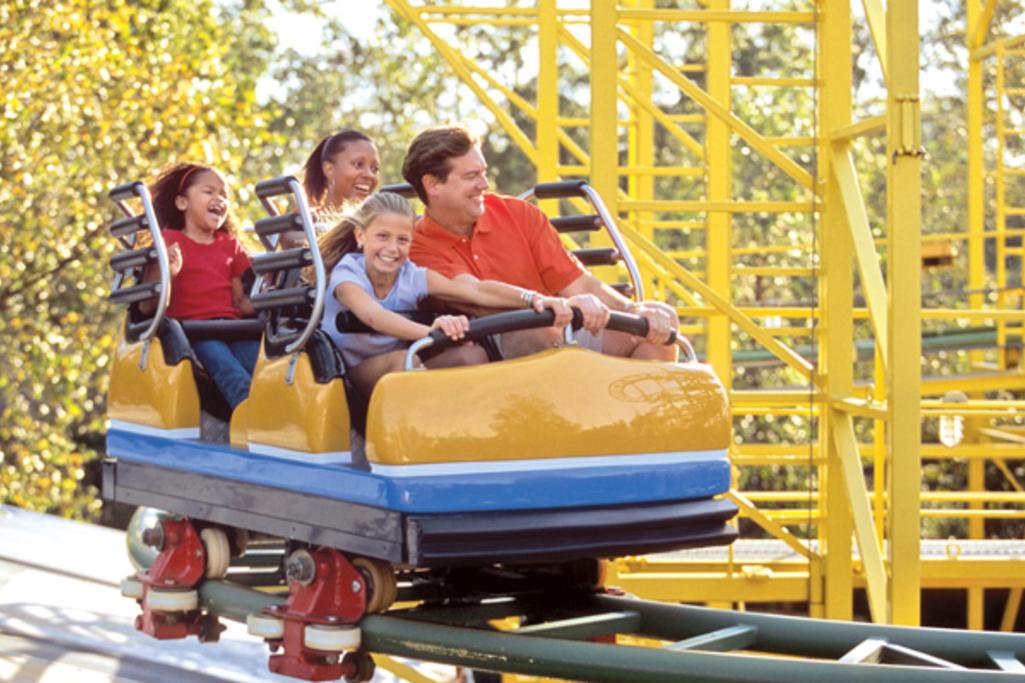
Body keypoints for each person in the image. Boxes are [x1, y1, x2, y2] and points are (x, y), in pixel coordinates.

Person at [402, 125, 679, 360]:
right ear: (433, 185)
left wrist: (633, 311)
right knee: (537, 328)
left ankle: (639, 419)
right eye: (471, 176)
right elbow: (475, 294)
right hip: (493, 337)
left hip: (558, 323)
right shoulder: (417, 244)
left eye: (483, 173)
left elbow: (578, 283)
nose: (484, 184)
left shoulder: (518, 214)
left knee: (657, 321)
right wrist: (543, 303)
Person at [318, 192, 573, 396]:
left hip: (408, 356)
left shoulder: (411, 275)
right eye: (382, 237)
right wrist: (434, 334)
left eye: (403, 240)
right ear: (361, 236)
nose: (392, 248)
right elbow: (374, 316)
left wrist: (535, 298)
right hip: (347, 372)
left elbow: (474, 290)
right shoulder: (348, 273)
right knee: (405, 361)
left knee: (470, 355)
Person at [140, 162, 258, 411]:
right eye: (209, 192)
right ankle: (251, 420)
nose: (219, 199)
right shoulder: (169, 242)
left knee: (265, 368)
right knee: (230, 371)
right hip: (196, 330)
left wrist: (267, 296)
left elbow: (240, 303)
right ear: (182, 203)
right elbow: (148, 304)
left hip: (232, 328)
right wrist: (168, 273)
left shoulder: (231, 245)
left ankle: (277, 419)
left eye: (224, 195)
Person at [302, 130, 381, 223]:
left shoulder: (381, 227)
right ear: (329, 169)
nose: (369, 175)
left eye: (374, 169)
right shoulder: (302, 225)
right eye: (358, 164)